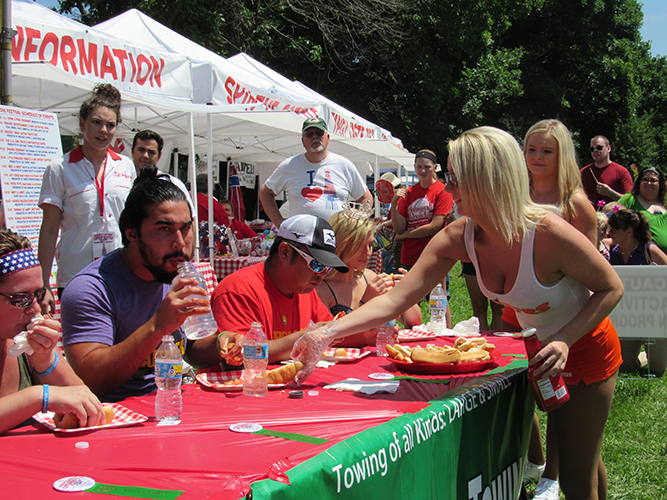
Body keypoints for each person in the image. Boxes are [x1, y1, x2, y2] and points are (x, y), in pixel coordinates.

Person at [293, 126, 624, 500]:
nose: (447, 189)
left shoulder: (546, 231)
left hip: (585, 347)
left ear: (486, 180)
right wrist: (325, 333)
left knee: (579, 478)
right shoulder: (460, 235)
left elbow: (612, 287)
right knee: (583, 456)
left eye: (454, 178)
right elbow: (397, 299)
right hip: (539, 348)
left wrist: (565, 340)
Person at [60, 168, 225, 402]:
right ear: (132, 234)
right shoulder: (91, 289)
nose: (179, 243)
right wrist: (157, 326)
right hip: (114, 419)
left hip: (170, 406)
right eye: (164, 229)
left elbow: (192, 349)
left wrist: (223, 343)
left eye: (186, 228)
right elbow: (90, 382)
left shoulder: (176, 273)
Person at [513, 119, 600, 500]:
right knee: (571, 431)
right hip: (528, 324)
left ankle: (555, 476)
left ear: (562, 155)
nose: (536, 157)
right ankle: (542, 467)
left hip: (573, 328)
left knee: (580, 442)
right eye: (531, 149)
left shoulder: (575, 204)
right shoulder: (515, 196)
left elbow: (592, 275)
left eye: (546, 150)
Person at [38, 84, 136, 314]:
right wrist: (43, 284)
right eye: (96, 122)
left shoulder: (125, 165)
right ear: (82, 124)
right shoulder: (59, 168)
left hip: (121, 272)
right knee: (83, 344)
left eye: (110, 125)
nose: (104, 130)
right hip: (76, 274)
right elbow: (50, 229)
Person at [211, 214, 359, 364]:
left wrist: (371, 330)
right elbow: (240, 356)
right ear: (285, 252)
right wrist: (308, 336)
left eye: (327, 269)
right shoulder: (238, 291)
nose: (321, 276)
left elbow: (335, 335)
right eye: (316, 265)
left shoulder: (304, 289)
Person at [0, 229, 103, 433]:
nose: (36, 309)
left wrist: (45, 360)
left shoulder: (24, 343)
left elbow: (87, 405)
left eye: (38, 295)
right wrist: (40, 397)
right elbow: (49, 396)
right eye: (21, 299)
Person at [258, 117, 373, 228]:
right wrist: (279, 222)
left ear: (327, 138)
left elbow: (366, 198)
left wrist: (356, 225)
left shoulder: (344, 165)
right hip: (302, 241)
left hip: (337, 240)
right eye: (309, 134)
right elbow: (265, 192)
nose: (315, 137)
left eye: (319, 133)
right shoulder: (289, 166)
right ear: (303, 141)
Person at [317, 208, 422, 328]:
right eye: (360, 245)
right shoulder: (321, 288)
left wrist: (404, 291)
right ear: (341, 244)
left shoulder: (370, 277)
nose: (368, 252)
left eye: (370, 245)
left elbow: (414, 322)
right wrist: (364, 304)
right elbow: (328, 336)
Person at [390, 149, 454, 325]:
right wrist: (395, 204)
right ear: (414, 167)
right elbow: (399, 226)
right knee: (409, 302)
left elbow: (435, 225)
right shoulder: (409, 193)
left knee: (439, 297)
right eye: (419, 167)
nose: (423, 171)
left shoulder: (442, 190)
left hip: (435, 253)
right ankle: (411, 337)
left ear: (435, 167)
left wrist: (405, 235)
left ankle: (447, 334)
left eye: (427, 167)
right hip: (410, 256)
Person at [607, 209, 667, 375]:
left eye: (613, 230)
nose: (609, 233)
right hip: (628, 316)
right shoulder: (612, 252)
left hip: (654, 316)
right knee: (625, 366)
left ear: (629, 231)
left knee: (657, 370)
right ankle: (642, 355)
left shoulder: (650, 250)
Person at [131, 130, 194, 214]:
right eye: (141, 150)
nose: (145, 156)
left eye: (151, 152)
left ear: (159, 156)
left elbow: (190, 217)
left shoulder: (173, 184)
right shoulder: (120, 180)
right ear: (132, 151)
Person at [618, 166, 667, 253]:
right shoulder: (629, 200)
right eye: (645, 179)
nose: (649, 183)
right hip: (641, 258)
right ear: (639, 182)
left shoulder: (665, 202)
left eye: (653, 180)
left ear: (660, 184)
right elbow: (611, 217)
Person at [580, 135, 633, 206]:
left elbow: (630, 202)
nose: (595, 151)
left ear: (608, 148)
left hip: (613, 215)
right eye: (592, 149)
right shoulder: (584, 172)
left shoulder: (621, 171)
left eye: (599, 147)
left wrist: (611, 193)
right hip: (590, 216)